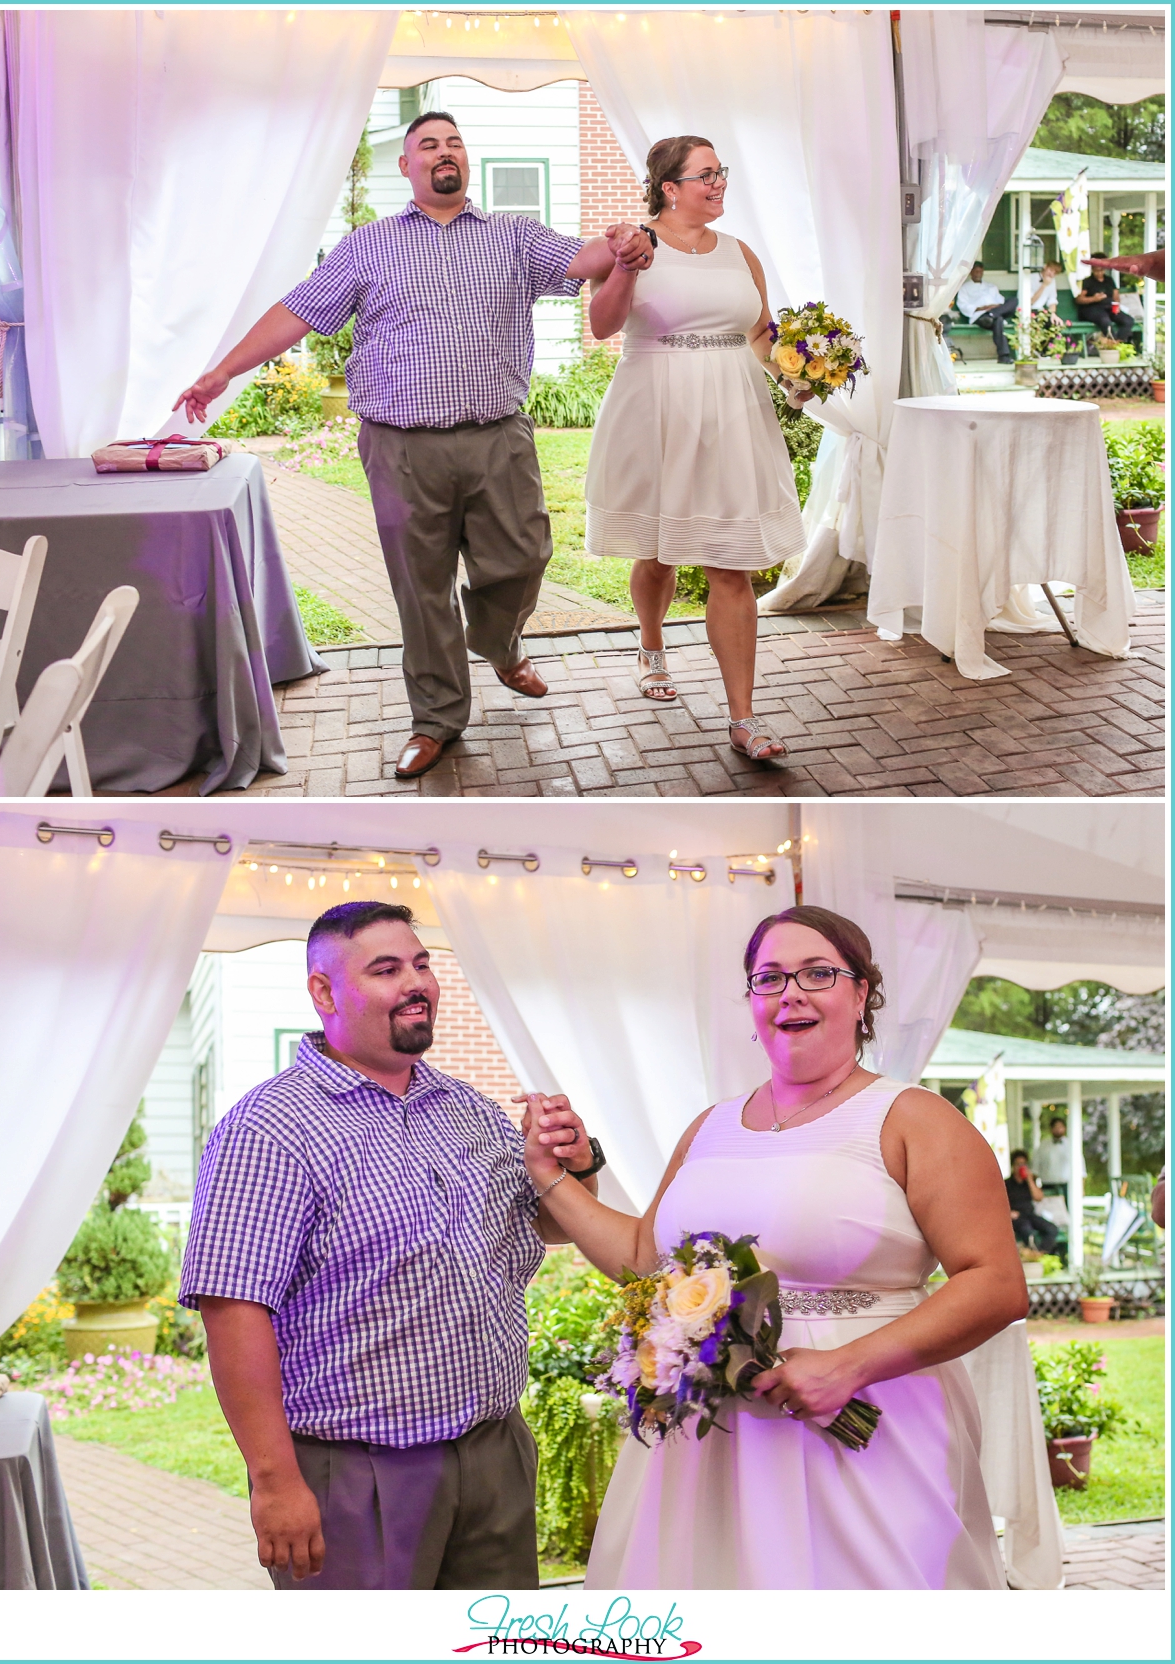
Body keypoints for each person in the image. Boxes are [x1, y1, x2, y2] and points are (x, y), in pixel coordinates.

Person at [522, 905, 1026, 1589]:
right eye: (769, 978)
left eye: (818, 973)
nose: (792, 992)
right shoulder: (711, 1126)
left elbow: (995, 1282)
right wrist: (553, 1179)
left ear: (861, 994)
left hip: (868, 1430)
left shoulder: (913, 1118)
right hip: (712, 1443)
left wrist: (846, 1366)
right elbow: (646, 1260)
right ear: (753, 1002)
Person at [174, 112, 654, 781]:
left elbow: (585, 259)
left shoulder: (512, 235)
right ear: (407, 167)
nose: (443, 152)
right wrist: (225, 369)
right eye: (427, 145)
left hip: (499, 438)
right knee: (422, 588)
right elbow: (298, 310)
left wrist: (628, 238)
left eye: (454, 142)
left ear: (466, 162)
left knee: (525, 554)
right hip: (401, 448)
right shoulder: (368, 246)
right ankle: (437, 718)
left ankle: (498, 641)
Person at [177, 900, 601, 1590]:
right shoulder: (268, 1128)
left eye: (422, 963)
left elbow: (547, 1226)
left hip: (494, 1454)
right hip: (359, 1476)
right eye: (386, 969)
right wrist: (275, 1481)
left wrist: (572, 1167)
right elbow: (233, 1311)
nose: (418, 983)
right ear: (324, 992)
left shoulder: (467, 1107)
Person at [582, 136, 810, 765]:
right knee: (659, 552)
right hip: (655, 409)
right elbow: (601, 327)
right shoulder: (631, 246)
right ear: (668, 186)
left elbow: (760, 333)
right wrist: (627, 267)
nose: (718, 184)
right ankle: (651, 648)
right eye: (705, 174)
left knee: (730, 562)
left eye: (720, 173)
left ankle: (744, 718)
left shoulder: (741, 253)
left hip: (733, 413)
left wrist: (797, 372)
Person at [954, 262, 1016, 364]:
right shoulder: (965, 288)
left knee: (1013, 301)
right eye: (976, 271)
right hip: (980, 316)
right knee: (999, 320)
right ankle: (1003, 356)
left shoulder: (991, 287)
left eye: (980, 271)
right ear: (971, 272)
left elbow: (1001, 302)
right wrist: (981, 308)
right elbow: (963, 305)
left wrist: (992, 308)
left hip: (994, 313)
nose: (978, 274)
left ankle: (993, 314)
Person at [1005, 1149, 1059, 1254]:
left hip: (1030, 1214)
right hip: (1017, 1217)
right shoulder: (1007, 1184)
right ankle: (1033, 1254)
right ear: (1013, 1166)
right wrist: (1009, 1213)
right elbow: (999, 1203)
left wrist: (1029, 1179)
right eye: (1018, 1164)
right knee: (1028, 1232)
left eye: (1023, 1164)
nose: (1021, 1167)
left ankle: (1040, 1254)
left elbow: (1039, 1197)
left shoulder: (1030, 1183)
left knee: (1052, 1229)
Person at [1075, 257, 1136, 344]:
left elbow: (1116, 296)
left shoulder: (1109, 280)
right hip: (1092, 309)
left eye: (1101, 270)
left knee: (1128, 320)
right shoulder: (1087, 281)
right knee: (1105, 321)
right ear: (1092, 270)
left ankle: (1116, 342)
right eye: (1096, 270)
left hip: (1109, 307)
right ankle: (1113, 344)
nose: (1099, 273)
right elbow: (1079, 299)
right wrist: (1094, 298)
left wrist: (1117, 305)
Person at [1034, 1114, 1072, 1204]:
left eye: (1061, 1127)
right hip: (1048, 1185)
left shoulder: (1071, 1144)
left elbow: (1081, 1168)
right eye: (1056, 1127)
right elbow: (1035, 1168)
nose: (1058, 1129)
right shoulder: (1043, 1145)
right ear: (1051, 1129)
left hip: (1066, 1185)